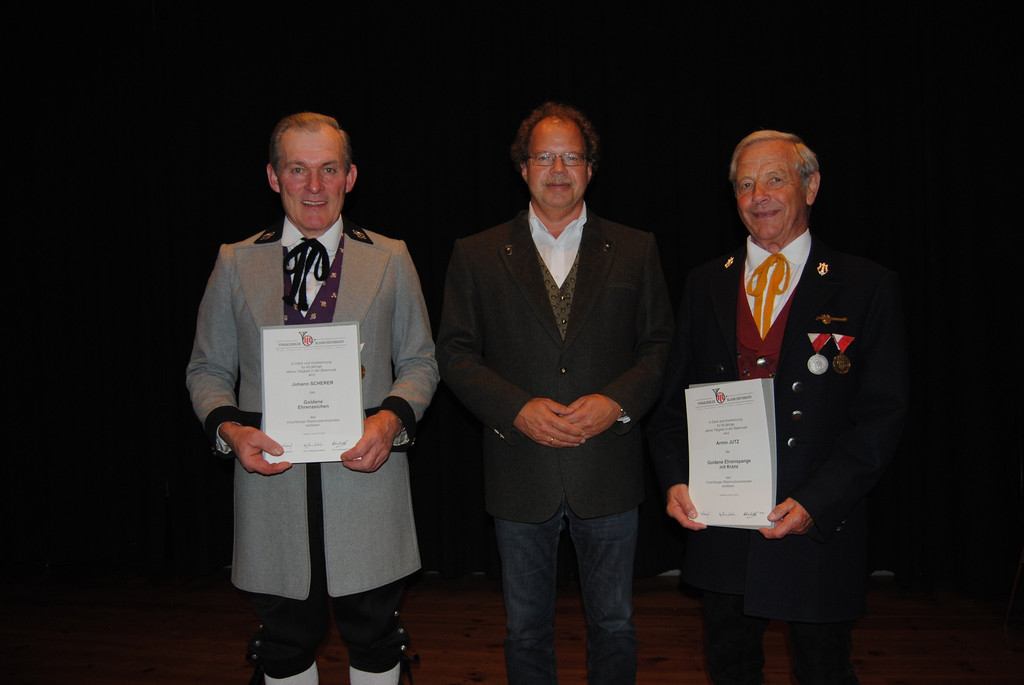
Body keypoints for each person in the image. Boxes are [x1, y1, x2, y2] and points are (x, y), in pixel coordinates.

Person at [186, 112, 439, 685]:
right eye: (298, 169)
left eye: (328, 169)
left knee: (375, 639)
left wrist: (390, 421)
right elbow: (207, 369)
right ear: (273, 176)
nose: (315, 186)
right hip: (270, 491)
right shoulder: (234, 260)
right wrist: (230, 431)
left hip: (368, 485)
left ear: (351, 176)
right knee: (283, 645)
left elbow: (421, 362)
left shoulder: (392, 257)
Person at [647, 130, 908, 684]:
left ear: (810, 187)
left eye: (774, 179)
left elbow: (881, 417)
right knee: (730, 666)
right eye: (745, 184)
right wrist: (675, 481)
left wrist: (817, 501)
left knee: (824, 670)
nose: (758, 195)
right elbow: (672, 408)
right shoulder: (704, 283)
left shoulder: (866, 285)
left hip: (817, 523)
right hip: (721, 522)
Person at [436, 102, 674, 685]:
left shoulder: (636, 248)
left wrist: (616, 403)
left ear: (591, 168)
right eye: (545, 156)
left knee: (615, 625)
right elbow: (456, 354)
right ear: (523, 168)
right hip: (520, 471)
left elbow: (659, 347)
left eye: (572, 156)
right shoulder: (477, 253)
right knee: (525, 631)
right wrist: (516, 409)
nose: (559, 169)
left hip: (608, 468)